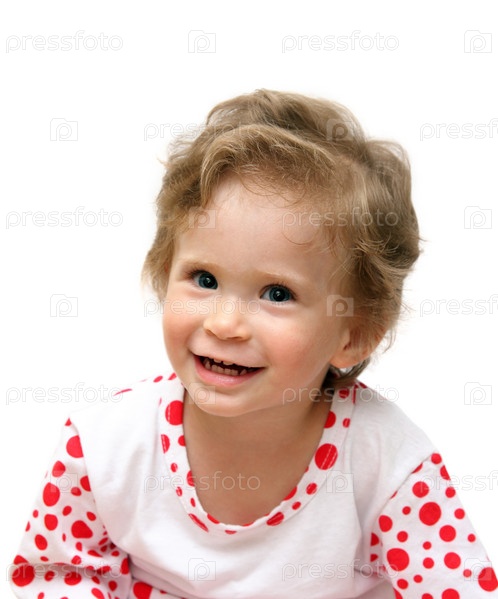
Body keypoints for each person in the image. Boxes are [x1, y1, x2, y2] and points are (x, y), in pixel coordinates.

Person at [9, 89, 497, 599]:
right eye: (204, 279)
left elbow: (457, 587)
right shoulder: (104, 446)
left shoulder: (387, 462)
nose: (225, 324)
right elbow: (60, 574)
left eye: (277, 294)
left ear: (354, 335)